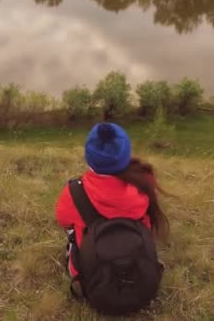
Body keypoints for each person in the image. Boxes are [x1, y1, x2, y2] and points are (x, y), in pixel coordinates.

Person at [55, 122, 169, 315]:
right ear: (126, 155)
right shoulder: (145, 183)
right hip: (139, 269)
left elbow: (64, 222)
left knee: (73, 234)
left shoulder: (74, 191)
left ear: (88, 158)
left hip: (92, 280)